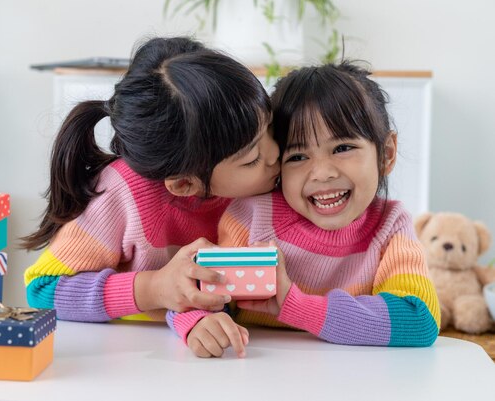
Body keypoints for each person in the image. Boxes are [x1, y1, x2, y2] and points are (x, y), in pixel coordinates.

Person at [168, 61, 441, 358]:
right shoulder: (252, 218)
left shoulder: (390, 224)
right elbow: (191, 294)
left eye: (342, 148)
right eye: (297, 155)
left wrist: (294, 305)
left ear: (386, 154)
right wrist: (199, 322)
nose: (322, 173)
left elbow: (419, 319)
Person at [22, 37, 280, 329]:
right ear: (184, 184)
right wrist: (155, 288)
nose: (276, 154)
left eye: (271, 127)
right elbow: (43, 291)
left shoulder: (271, 181)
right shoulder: (121, 194)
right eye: (252, 158)